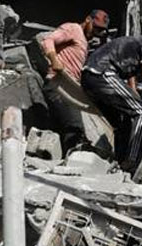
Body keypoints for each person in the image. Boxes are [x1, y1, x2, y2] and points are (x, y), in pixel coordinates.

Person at [80, 24, 142, 172]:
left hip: (89, 75)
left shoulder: (140, 42)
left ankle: (119, 160)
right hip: (102, 73)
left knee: (123, 121)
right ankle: (132, 161)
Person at [39, 10, 110, 151]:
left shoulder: (84, 41)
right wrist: (54, 60)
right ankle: (74, 158)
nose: (97, 33)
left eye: (100, 31)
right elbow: (47, 40)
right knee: (75, 127)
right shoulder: (73, 29)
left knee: (67, 127)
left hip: (69, 88)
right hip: (59, 85)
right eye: (96, 28)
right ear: (88, 20)